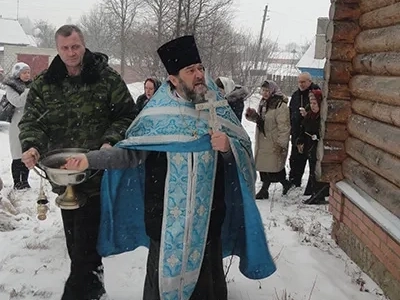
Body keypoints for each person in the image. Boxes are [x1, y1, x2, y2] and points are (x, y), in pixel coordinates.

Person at [62, 35, 276, 300]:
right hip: (164, 224)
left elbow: (242, 153)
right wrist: (89, 159)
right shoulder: (155, 116)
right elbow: (130, 155)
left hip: (208, 223)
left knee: (206, 290)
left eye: (201, 68)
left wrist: (228, 147)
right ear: (174, 79)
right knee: (162, 289)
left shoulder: (218, 109)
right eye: (190, 70)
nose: (199, 75)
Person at [19, 24, 136, 300]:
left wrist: (109, 141)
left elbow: (127, 115)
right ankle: (94, 287)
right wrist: (32, 146)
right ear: (57, 49)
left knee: (84, 244)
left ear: (84, 45)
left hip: (96, 174)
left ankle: (79, 291)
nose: (71, 53)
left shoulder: (106, 79)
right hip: (62, 174)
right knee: (77, 242)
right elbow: (33, 121)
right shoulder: (46, 82)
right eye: (64, 48)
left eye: (75, 47)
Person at [246, 80, 293, 199]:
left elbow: (284, 126)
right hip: (263, 139)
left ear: (272, 90)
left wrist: (282, 143)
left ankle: (285, 183)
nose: (265, 93)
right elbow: (263, 122)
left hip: (273, 140)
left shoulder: (280, 105)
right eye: (263, 90)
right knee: (263, 166)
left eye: (267, 90)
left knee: (275, 167)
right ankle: (264, 189)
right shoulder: (263, 103)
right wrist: (253, 116)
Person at [296, 89, 329, 204]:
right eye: (311, 103)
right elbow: (305, 129)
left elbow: (321, 131)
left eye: (315, 103)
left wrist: (318, 136)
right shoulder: (310, 115)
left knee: (318, 171)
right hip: (311, 147)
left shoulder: (322, 117)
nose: (312, 106)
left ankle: (319, 194)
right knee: (312, 170)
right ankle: (315, 192)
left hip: (319, 148)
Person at [3, 62, 32, 189]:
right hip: (16, 124)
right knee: (17, 154)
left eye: (28, 72)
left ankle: (25, 181)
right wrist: (28, 91)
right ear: (17, 74)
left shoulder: (31, 85)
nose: (27, 75)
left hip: (30, 123)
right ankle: (17, 182)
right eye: (24, 72)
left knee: (27, 153)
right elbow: (17, 102)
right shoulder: (11, 87)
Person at [289, 72, 320, 187]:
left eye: (303, 82)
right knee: (295, 158)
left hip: (310, 133)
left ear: (309, 81)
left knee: (311, 160)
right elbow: (291, 113)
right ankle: (294, 181)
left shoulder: (315, 94)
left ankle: (312, 186)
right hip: (297, 132)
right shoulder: (296, 95)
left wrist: (307, 115)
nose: (301, 84)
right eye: (299, 82)